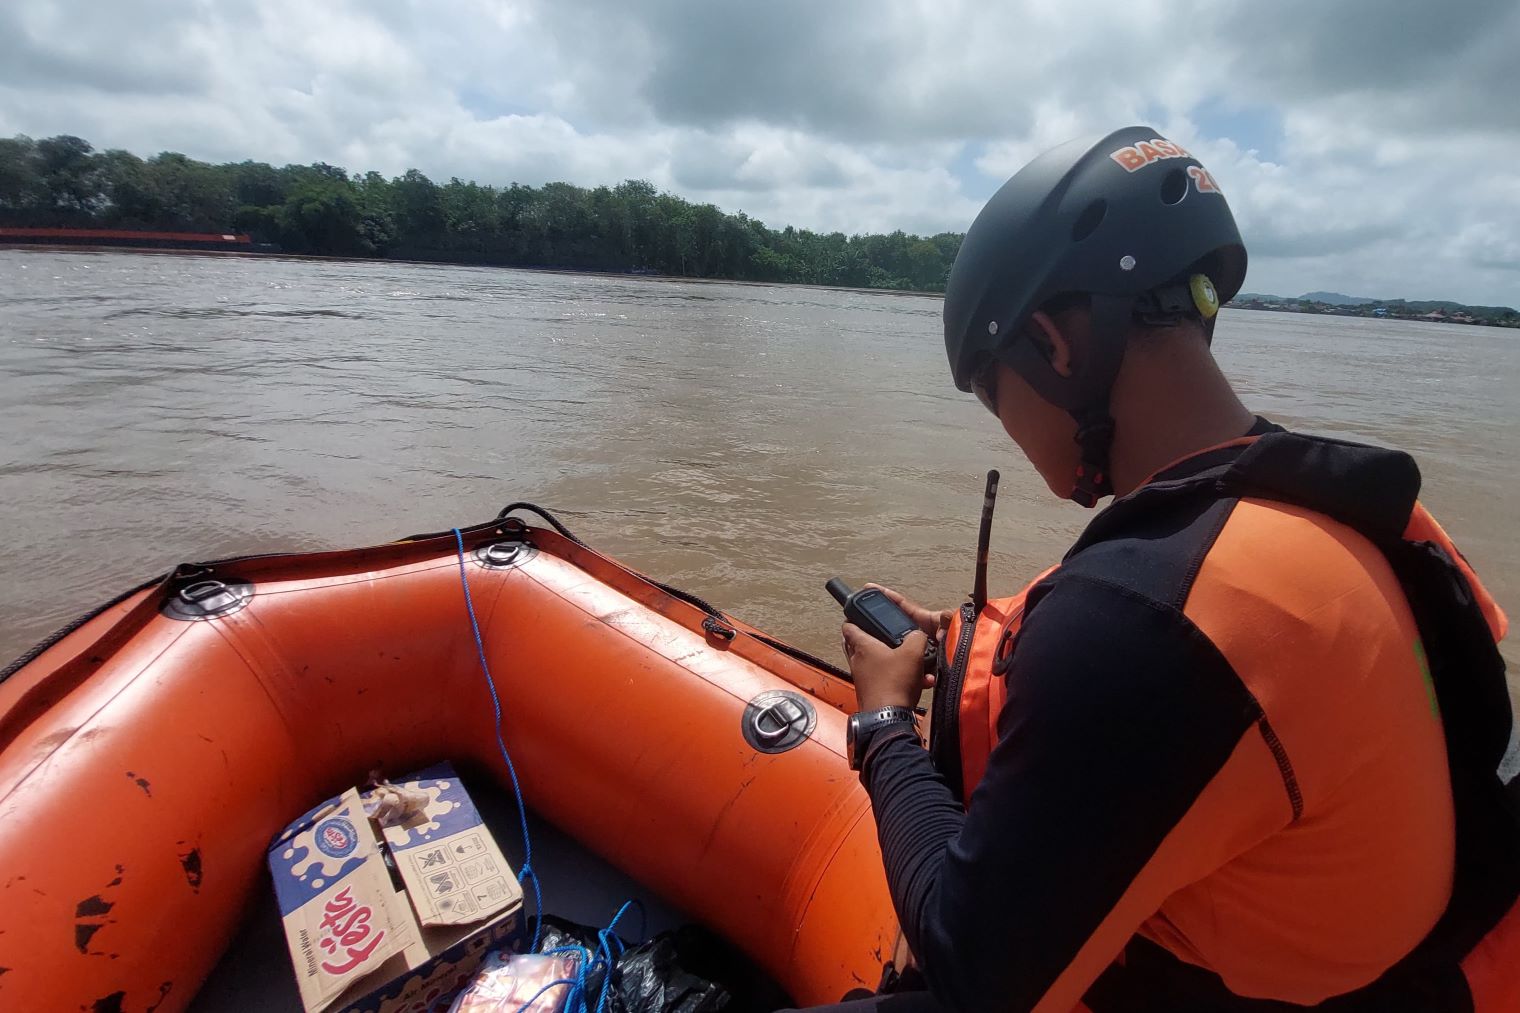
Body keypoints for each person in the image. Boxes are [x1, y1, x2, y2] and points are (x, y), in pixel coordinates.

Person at [821, 127, 1520, 1012]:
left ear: (1054, 346)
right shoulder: (1314, 508)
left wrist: (884, 721)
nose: (1010, 431)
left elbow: (973, 975)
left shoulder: (1143, 620)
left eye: (996, 396)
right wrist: (959, 639)